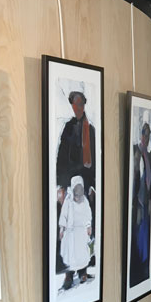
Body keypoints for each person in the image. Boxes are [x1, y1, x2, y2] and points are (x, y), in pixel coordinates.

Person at [56, 90, 96, 274]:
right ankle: (67, 266)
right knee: (67, 218)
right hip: (71, 181)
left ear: (84, 105)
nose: (77, 107)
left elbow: (95, 160)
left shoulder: (90, 129)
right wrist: (61, 186)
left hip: (86, 182)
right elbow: (62, 157)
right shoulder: (68, 128)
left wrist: (93, 185)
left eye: (80, 104)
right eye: (74, 104)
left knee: (87, 220)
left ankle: (86, 263)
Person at [130, 122, 151, 287]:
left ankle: (144, 261)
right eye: (144, 134)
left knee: (144, 230)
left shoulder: (149, 155)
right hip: (136, 200)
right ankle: (137, 262)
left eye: (148, 135)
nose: (146, 137)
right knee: (137, 230)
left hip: (146, 200)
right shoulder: (135, 152)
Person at [59, 176, 92, 290]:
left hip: (81, 233)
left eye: (80, 188)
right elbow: (64, 215)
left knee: (82, 254)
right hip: (71, 233)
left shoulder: (85, 201)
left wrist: (88, 226)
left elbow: (87, 215)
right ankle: (69, 277)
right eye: (76, 188)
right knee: (70, 256)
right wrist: (62, 228)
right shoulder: (68, 201)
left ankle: (83, 273)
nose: (78, 191)